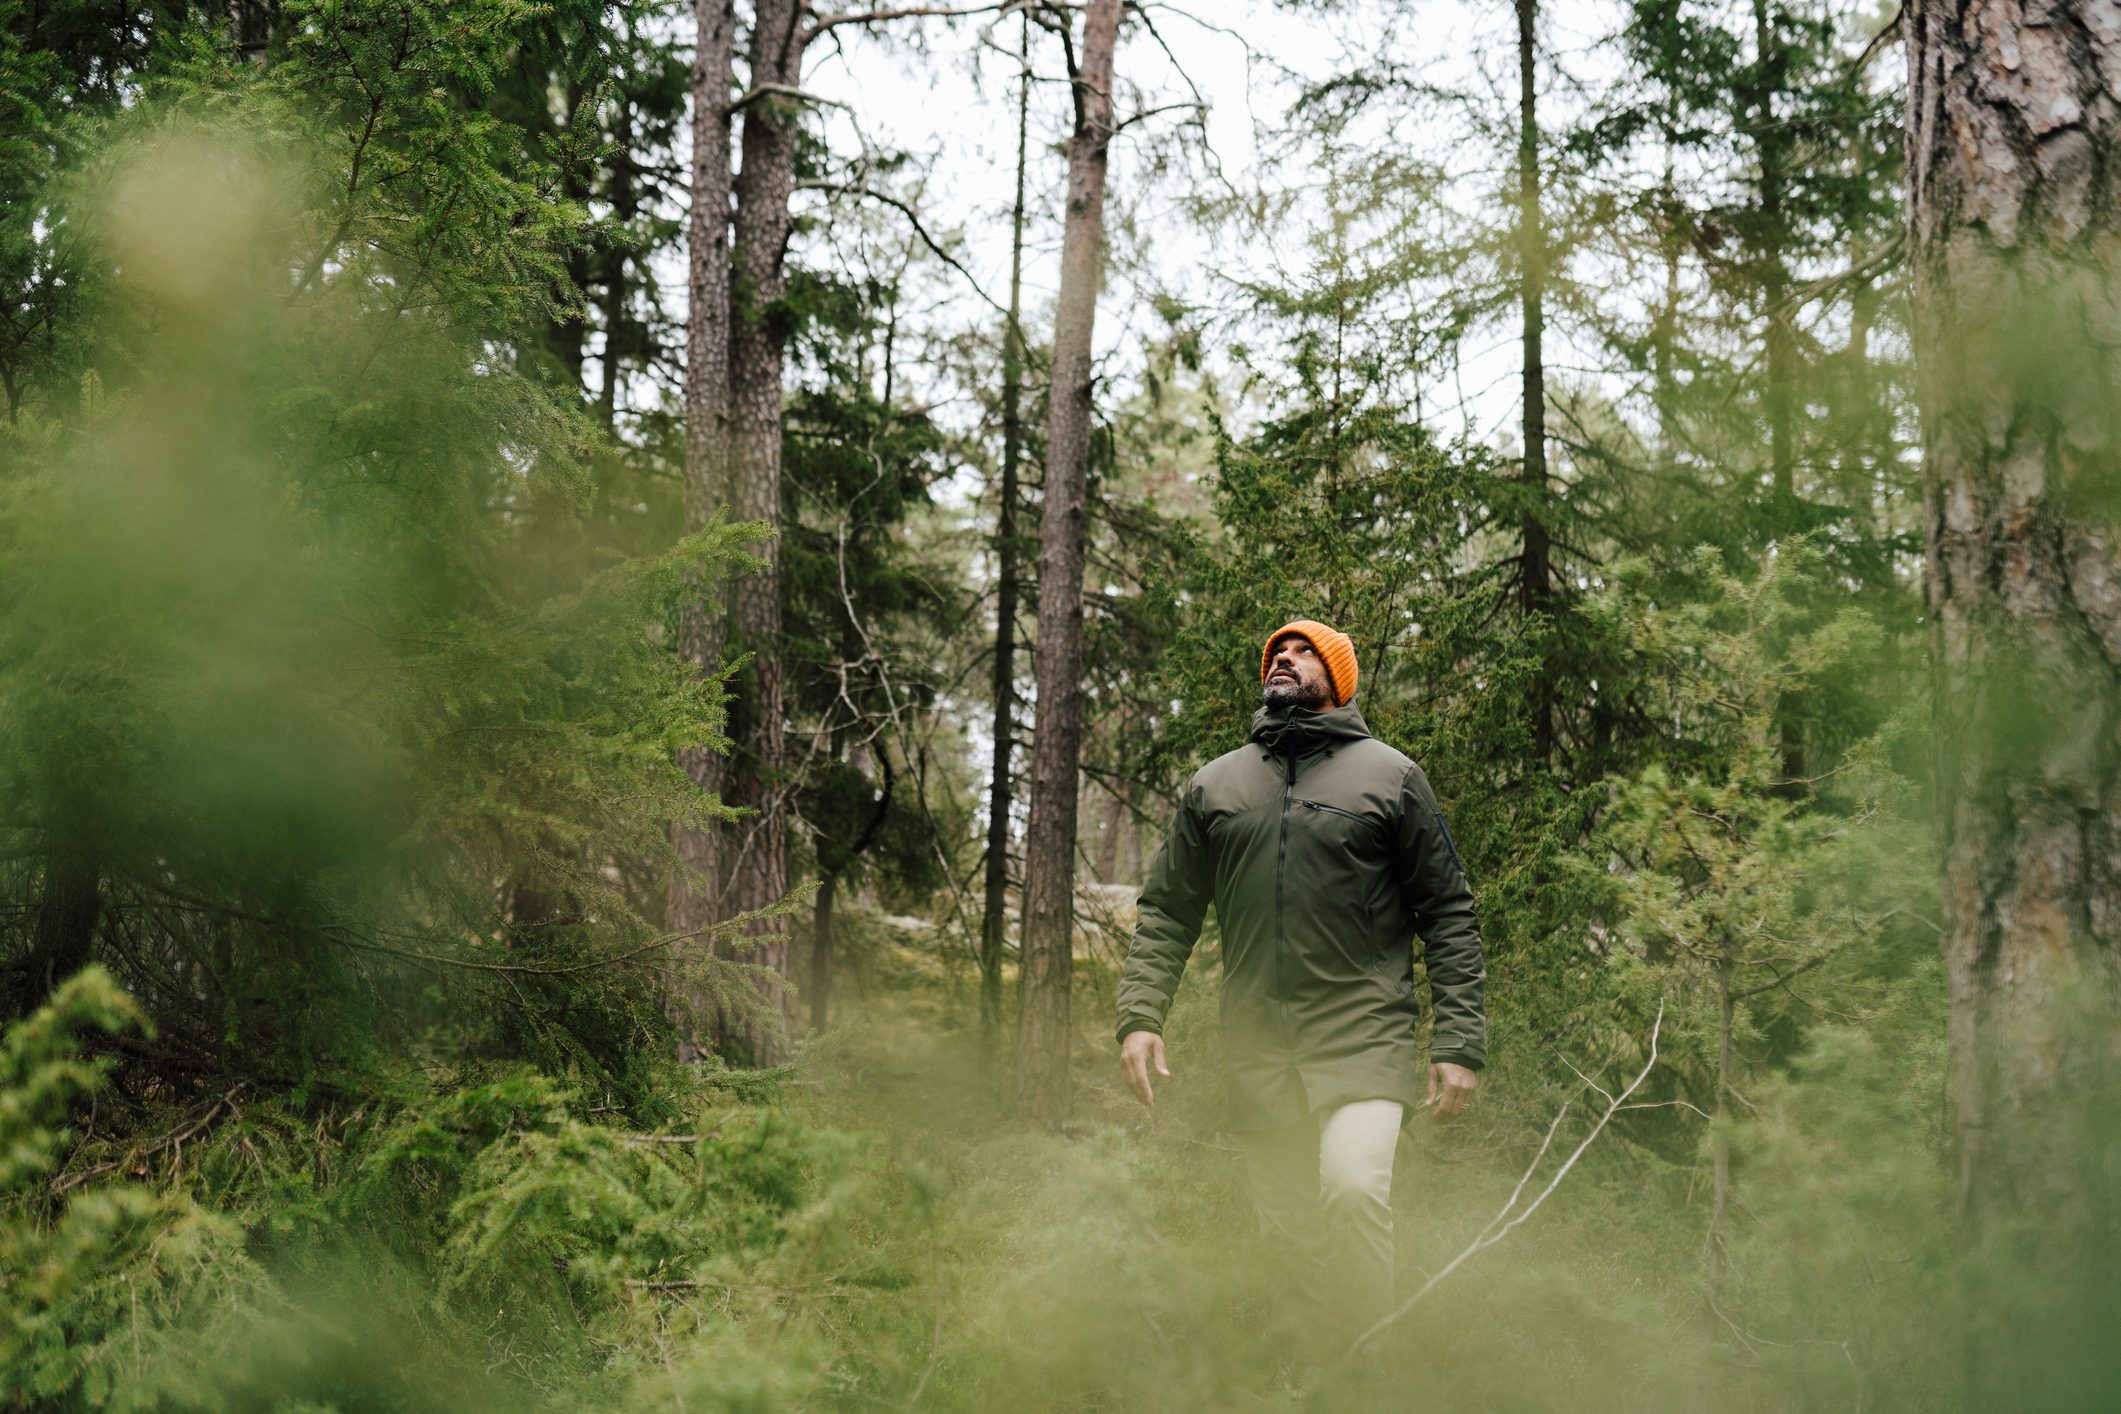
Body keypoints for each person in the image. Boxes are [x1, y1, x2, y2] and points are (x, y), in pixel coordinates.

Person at [1114, 619, 1487, 1345]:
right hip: (1259, 1046)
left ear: (1337, 677)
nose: (1283, 657)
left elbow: (1447, 910)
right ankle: (1306, 1379)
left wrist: (1458, 1043)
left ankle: (1366, 1376)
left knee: (1350, 1191)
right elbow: (1166, 911)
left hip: (1363, 1037)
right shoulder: (1217, 784)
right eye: (1275, 652)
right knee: (1284, 1235)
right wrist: (1139, 1016)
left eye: (1303, 651)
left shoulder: (1390, 775)